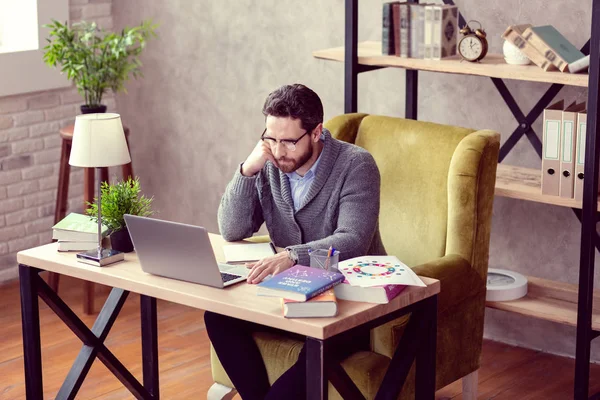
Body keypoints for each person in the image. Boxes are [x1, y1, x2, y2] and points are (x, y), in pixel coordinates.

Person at [204, 83, 385, 399]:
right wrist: (248, 169)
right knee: (218, 317)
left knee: (316, 347)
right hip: (288, 294)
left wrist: (291, 256)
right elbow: (231, 229)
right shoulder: (270, 162)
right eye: (269, 138)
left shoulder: (356, 164)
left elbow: (353, 240)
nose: (277, 150)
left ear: (316, 133)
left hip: (347, 300)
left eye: (288, 141)